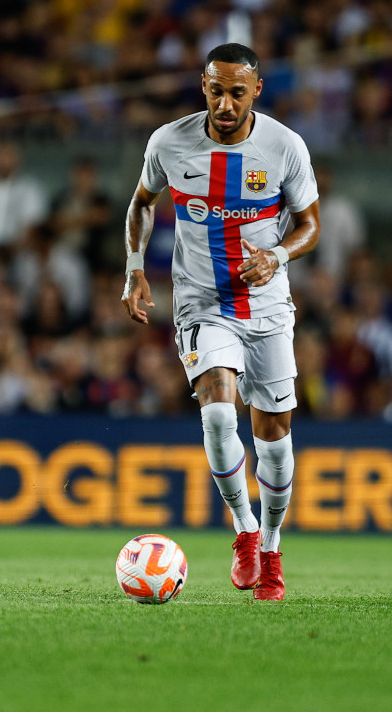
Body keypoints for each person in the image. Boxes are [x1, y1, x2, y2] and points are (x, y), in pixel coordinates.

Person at [121, 43, 320, 601]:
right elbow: (141, 203)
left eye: (238, 92)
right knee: (215, 409)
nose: (226, 103)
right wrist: (136, 271)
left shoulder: (284, 146)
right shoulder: (168, 142)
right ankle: (245, 533)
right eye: (216, 90)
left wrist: (276, 256)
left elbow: (310, 225)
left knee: (274, 438)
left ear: (257, 90)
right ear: (202, 86)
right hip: (201, 301)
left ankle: (274, 547)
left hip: (266, 305)